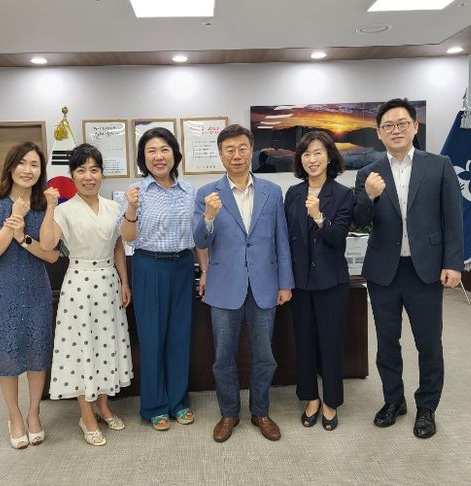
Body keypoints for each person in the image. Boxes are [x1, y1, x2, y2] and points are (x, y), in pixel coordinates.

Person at [353, 98, 463, 439]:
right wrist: (368, 196)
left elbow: (453, 219)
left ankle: (426, 407)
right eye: (388, 126)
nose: (396, 130)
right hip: (384, 271)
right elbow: (359, 222)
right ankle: (394, 400)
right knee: (387, 342)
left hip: (425, 269)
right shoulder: (368, 173)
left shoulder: (439, 165)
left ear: (415, 127)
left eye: (402, 123)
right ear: (379, 133)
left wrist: (453, 263)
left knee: (428, 343)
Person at [193, 124, 294, 443]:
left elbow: (281, 240)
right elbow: (200, 240)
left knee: (264, 355)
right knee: (223, 357)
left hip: (265, 284)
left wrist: (285, 283)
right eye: (229, 149)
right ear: (220, 154)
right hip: (224, 286)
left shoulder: (271, 191)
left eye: (242, 148)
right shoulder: (207, 193)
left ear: (252, 151)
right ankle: (229, 413)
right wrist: (209, 216)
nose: (236, 155)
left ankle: (261, 411)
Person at [40, 143, 133, 446]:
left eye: (94, 170)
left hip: (108, 282)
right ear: (72, 175)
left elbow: (118, 246)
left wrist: (124, 281)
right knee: (82, 349)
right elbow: (47, 244)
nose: (88, 176)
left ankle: (103, 406)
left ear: (102, 173)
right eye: (81, 170)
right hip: (79, 283)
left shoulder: (114, 207)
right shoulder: (64, 209)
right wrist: (50, 207)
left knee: (106, 346)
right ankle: (86, 415)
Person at [120, 127, 206, 431]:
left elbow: (198, 236)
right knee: (152, 338)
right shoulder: (136, 191)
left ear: (174, 154)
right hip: (149, 267)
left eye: (164, 149)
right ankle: (155, 405)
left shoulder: (190, 192)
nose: (159, 156)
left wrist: (204, 270)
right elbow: (128, 237)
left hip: (182, 266)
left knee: (180, 337)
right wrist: (131, 207)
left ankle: (179, 402)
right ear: (143, 158)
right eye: (151, 151)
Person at [0, 141, 59, 449]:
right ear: (10, 167)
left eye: (34, 164)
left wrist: (24, 235)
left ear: (41, 171)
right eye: (22, 163)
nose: (28, 170)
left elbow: (51, 254)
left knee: (37, 354)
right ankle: (14, 416)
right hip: (1, 291)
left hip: (36, 289)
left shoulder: (44, 205)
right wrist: (13, 218)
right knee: (7, 354)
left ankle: (34, 413)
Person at [283, 131, 353, 431]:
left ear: (329, 156)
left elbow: (338, 238)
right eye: (306, 154)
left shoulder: (343, 194)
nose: (312, 159)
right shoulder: (293, 193)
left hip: (331, 282)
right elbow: (285, 238)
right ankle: (310, 397)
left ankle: (331, 401)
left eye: (318, 153)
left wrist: (318, 216)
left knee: (330, 342)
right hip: (299, 282)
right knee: (304, 342)